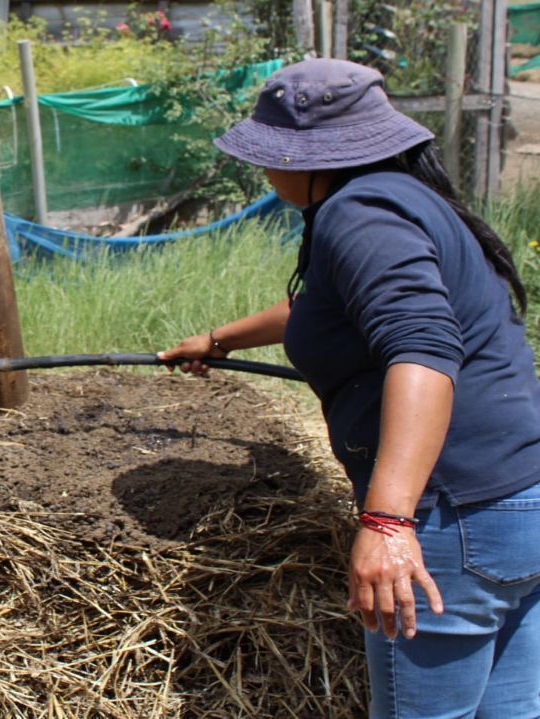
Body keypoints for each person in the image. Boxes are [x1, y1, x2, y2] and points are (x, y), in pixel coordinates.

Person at [158, 58, 540, 717]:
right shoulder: (401, 199)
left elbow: (421, 349)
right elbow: (336, 310)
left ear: (310, 156)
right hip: (520, 503)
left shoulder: (358, 215)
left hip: (454, 521)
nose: (263, 165)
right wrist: (218, 340)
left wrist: (389, 521)